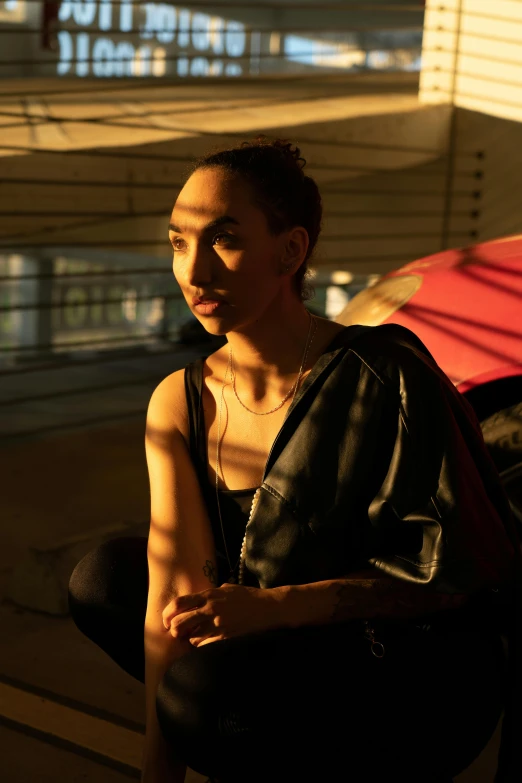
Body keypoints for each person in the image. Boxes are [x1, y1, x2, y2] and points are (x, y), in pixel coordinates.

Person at [68, 137, 520, 783]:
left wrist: (278, 606)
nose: (194, 271)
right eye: (177, 241)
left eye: (223, 238)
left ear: (291, 249)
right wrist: (157, 770)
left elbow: (452, 583)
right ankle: (249, 725)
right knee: (106, 581)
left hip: (410, 662)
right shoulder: (181, 398)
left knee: (199, 698)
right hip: (277, 631)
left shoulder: (381, 374)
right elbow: (174, 587)